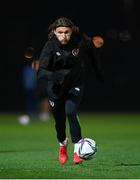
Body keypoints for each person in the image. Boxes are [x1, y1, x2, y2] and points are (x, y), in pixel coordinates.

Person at [37, 17, 104, 164]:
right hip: (56, 88)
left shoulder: (80, 40)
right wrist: (57, 76)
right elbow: (41, 72)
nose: (64, 36)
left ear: (71, 31)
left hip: (75, 83)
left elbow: (92, 49)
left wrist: (97, 70)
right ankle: (62, 144)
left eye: (67, 32)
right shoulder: (50, 46)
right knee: (60, 123)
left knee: (71, 112)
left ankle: (77, 151)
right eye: (60, 32)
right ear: (54, 32)